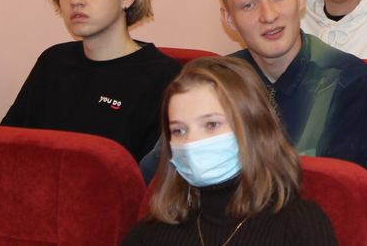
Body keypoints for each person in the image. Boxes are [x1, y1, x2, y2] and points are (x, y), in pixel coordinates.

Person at [1, 0, 180, 161]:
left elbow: (152, 174)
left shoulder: (164, 77)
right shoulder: (53, 62)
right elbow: (6, 147)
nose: (76, 0)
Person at [122, 56, 337, 245]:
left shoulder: (299, 225)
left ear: (254, 129)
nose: (191, 142)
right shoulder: (152, 231)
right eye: (178, 130)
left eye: (211, 125)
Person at [215, 0, 367, 167]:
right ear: (229, 19)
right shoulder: (218, 83)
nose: (269, 16)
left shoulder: (347, 81)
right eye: (248, 5)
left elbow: (340, 183)